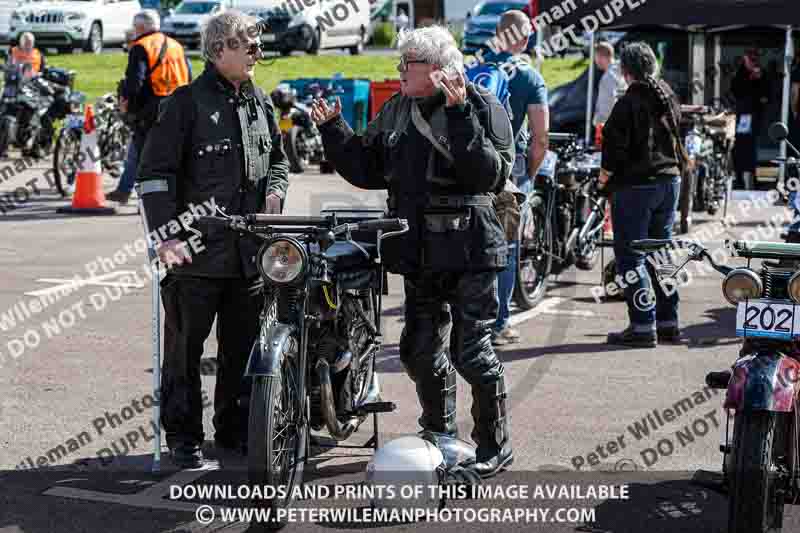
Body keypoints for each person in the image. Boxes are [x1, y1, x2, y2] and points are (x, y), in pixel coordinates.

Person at [311, 25, 515, 478]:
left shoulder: (482, 105)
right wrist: (334, 130)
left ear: (438, 69)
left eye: (409, 63)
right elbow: (368, 167)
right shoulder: (399, 108)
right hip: (419, 250)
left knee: (472, 351)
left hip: (471, 248)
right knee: (418, 351)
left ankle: (494, 446)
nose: (399, 70)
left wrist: (461, 114)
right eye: (401, 61)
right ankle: (439, 432)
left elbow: (488, 176)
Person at [137, 11, 290, 468]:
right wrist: (166, 238)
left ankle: (235, 430)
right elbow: (154, 177)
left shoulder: (261, 103)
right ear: (220, 49)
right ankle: (184, 437)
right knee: (185, 353)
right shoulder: (184, 105)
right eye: (250, 47)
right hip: (195, 255)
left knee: (242, 351)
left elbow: (279, 163)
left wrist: (276, 196)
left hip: (249, 257)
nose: (258, 55)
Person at [599, 42, 687, 348]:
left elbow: (613, 148)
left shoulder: (628, 102)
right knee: (661, 253)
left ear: (625, 71)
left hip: (637, 186)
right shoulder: (668, 95)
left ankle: (642, 325)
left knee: (631, 256)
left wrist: (604, 179)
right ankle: (668, 322)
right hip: (670, 180)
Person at [481, 10, 549, 345]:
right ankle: (498, 323)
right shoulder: (529, 77)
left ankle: (468, 318)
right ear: (524, 39)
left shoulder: (473, 67)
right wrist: (530, 174)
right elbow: (541, 137)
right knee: (506, 245)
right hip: (511, 167)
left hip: (471, 165)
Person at [107, 10, 192, 205]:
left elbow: (135, 81)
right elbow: (189, 76)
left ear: (141, 27)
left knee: (146, 157)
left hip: (152, 109)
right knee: (152, 152)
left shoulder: (140, 47)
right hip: (179, 106)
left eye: (135, 27)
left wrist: (126, 101)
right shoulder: (175, 46)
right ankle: (125, 190)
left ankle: (147, 199)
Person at [731, 48, 770, 190]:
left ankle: (752, 177)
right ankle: (740, 178)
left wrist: (759, 82)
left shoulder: (762, 73)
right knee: (741, 146)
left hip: (755, 115)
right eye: (751, 58)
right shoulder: (740, 73)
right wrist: (750, 79)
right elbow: (736, 90)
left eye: (756, 58)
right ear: (745, 59)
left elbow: (766, 93)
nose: (754, 61)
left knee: (751, 147)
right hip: (744, 115)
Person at [593, 41, 627, 128]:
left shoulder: (608, 77)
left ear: (601, 57)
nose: (595, 60)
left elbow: (607, 105)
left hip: (608, 126)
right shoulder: (621, 72)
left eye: (595, 56)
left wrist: (598, 122)